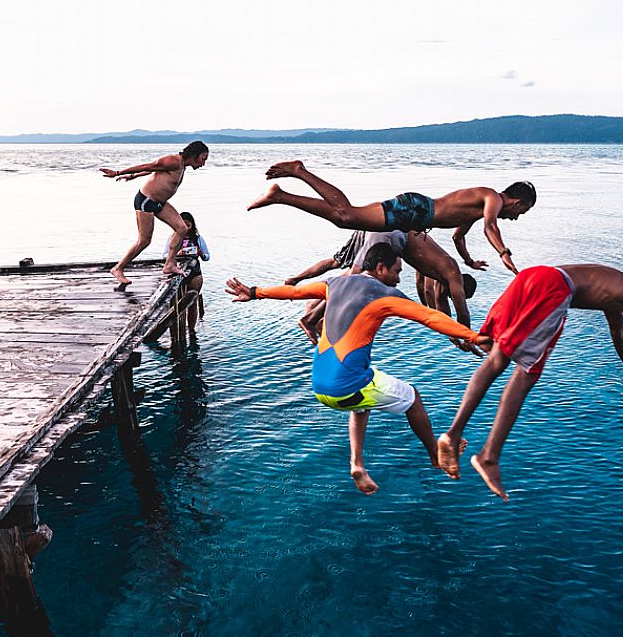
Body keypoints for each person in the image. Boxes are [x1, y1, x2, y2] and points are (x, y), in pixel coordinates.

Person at [225, 243, 492, 495]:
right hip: (347, 386)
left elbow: (294, 292)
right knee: (413, 397)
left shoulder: (334, 282)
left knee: (363, 399)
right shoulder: (385, 295)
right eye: (397, 271)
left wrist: (255, 292)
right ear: (380, 268)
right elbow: (430, 316)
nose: (399, 279)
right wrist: (472, 336)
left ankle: (357, 464)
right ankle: (435, 455)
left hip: (320, 384)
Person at [437, 264, 623, 501]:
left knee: (497, 359)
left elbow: (617, 332)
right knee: (526, 374)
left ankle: (452, 434)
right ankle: (489, 457)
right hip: (555, 288)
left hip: (534, 275)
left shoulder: (620, 288)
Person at [247, 160, 534, 275]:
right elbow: (490, 226)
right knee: (346, 215)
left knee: (344, 217)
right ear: (518, 201)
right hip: (414, 209)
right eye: (522, 212)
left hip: (414, 213)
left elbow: (459, 236)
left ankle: (281, 195)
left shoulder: (480, 205)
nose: (518, 218)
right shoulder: (492, 198)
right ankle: (298, 172)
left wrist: (468, 261)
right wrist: (503, 252)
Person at [288, 230, 479, 344]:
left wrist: (453, 336)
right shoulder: (450, 271)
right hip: (389, 235)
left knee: (338, 264)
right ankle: (311, 318)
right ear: (460, 288)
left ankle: (298, 284)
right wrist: (468, 337)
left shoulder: (438, 276)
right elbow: (457, 313)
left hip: (380, 227)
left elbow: (431, 299)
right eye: (457, 296)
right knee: (354, 279)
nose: (453, 297)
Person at [101, 141, 209, 286]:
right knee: (144, 241)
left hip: (160, 203)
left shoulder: (182, 165)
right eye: (203, 159)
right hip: (146, 201)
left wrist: (133, 176)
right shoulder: (173, 161)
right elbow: (150, 166)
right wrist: (118, 173)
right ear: (194, 156)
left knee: (182, 228)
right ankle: (118, 268)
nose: (203, 164)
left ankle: (169, 264)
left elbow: (155, 170)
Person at [164, 211, 210, 336]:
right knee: (177, 304)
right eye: (183, 225)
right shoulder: (172, 238)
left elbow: (207, 257)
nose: (185, 228)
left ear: (192, 225)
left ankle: (191, 330)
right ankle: (178, 331)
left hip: (195, 272)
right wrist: (175, 254)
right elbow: (164, 256)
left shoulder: (197, 238)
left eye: (188, 225)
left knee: (193, 302)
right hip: (178, 272)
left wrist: (201, 253)